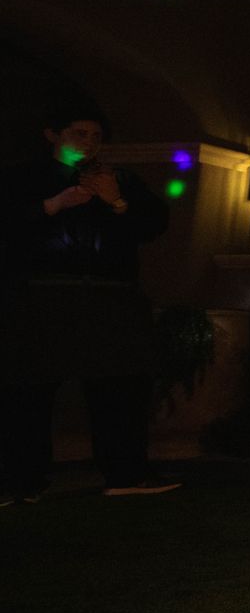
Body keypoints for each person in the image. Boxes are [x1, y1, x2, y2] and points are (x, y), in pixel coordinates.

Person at [1, 104, 177, 501]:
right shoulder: (22, 178)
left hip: (109, 297)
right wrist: (52, 205)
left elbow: (153, 225)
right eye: (79, 133)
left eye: (96, 136)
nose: (89, 143)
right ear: (53, 135)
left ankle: (125, 474)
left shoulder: (120, 179)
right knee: (28, 390)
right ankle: (21, 481)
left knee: (120, 386)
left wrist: (118, 202)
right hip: (42, 296)